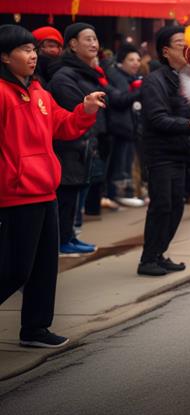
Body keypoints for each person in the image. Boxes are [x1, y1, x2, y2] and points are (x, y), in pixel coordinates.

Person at [0, 24, 104, 348]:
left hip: (45, 189)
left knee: (45, 267)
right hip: (15, 194)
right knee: (16, 269)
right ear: (4, 57)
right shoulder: (2, 95)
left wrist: (84, 110)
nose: (32, 56)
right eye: (24, 50)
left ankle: (35, 328)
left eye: (33, 50)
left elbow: (64, 125)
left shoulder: (40, 93)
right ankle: (34, 328)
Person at [137, 26, 190, 277]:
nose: (186, 46)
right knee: (162, 206)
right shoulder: (154, 81)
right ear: (165, 51)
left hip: (180, 151)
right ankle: (148, 259)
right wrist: (189, 124)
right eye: (181, 43)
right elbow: (157, 118)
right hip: (160, 154)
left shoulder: (184, 79)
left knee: (177, 206)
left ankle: (158, 253)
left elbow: (187, 111)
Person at [47, 23, 108, 255]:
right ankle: (63, 239)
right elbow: (74, 112)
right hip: (69, 146)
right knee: (67, 196)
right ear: (72, 44)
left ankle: (69, 236)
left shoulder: (87, 72)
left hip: (85, 144)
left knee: (75, 197)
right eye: (88, 39)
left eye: (95, 39)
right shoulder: (64, 76)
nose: (94, 44)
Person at [104, 44, 145, 208]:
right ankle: (118, 194)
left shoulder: (132, 78)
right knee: (119, 163)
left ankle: (125, 193)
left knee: (127, 162)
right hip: (119, 128)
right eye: (131, 59)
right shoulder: (117, 76)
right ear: (122, 61)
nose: (136, 63)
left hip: (130, 127)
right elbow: (119, 100)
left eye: (138, 60)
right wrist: (139, 92)